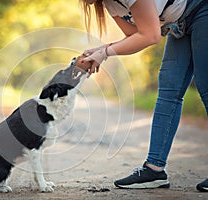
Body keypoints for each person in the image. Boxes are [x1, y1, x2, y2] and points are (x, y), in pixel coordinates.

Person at [79, 0, 208, 191]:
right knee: (169, 89)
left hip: (201, 9)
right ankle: (154, 169)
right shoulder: (110, 4)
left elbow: (151, 36)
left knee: (206, 86)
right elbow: (135, 35)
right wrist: (101, 51)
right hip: (180, 23)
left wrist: (104, 53)